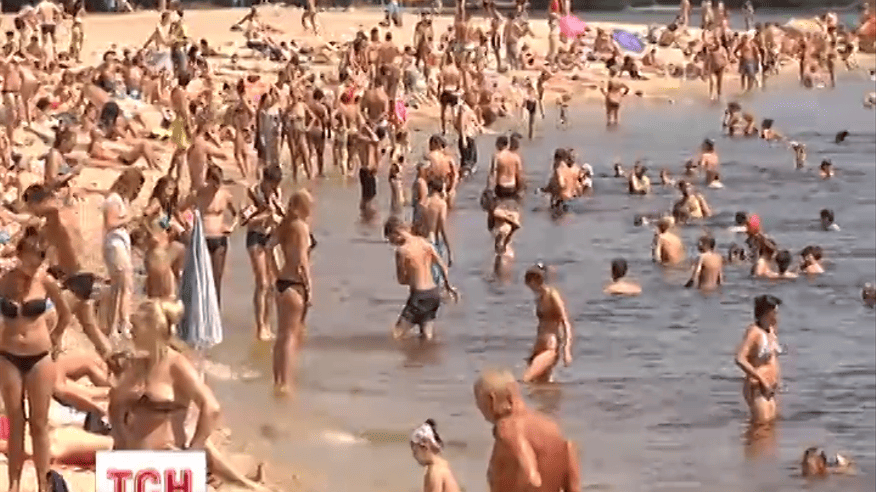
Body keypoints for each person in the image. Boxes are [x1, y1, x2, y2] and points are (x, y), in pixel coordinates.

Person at [108, 300, 266, 490]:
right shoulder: (137, 364)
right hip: (133, 462)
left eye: (136, 326)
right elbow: (115, 404)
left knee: (208, 450)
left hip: (168, 461)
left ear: (152, 328)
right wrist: (121, 436)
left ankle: (246, 480)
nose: (130, 332)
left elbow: (211, 408)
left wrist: (193, 452)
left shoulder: (176, 365)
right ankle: (243, 478)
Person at [0, 227, 71, 492]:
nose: (34, 265)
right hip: (8, 356)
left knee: (39, 424)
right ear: (20, 255)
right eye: (31, 259)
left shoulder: (45, 282)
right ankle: (14, 484)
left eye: (39, 259)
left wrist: (55, 338)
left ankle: (44, 484)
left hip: (39, 357)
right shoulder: (4, 281)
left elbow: (65, 313)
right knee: (16, 421)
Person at [473, 369, 582, 492]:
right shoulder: (553, 427)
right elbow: (573, 487)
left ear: (491, 399)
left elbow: (531, 478)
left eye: (479, 403)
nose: (480, 410)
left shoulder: (508, 428)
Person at [384, 216, 458, 341]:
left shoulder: (402, 251)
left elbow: (401, 280)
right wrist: (448, 286)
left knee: (396, 335)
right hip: (434, 294)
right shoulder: (424, 243)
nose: (392, 243)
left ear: (396, 233)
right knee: (427, 336)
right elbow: (443, 267)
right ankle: (425, 352)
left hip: (419, 296)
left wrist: (411, 278)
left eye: (391, 239)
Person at [270, 190, 314, 395]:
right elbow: (303, 260)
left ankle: (278, 381)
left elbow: (269, 247)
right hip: (296, 283)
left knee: (281, 336)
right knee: (291, 337)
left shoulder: (285, 225)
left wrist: (276, 271)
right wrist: (309, 287)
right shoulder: (301, 227)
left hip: (282, 283)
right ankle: (287, 384)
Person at [179, 164, 238, 304]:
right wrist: (187, 225)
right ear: (208, 180)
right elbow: (181, 209)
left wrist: (231, 226)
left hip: (220, 239)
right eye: (214, 182)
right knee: (201, 278)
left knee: (216, 279)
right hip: (202, 239)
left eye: (219, 182)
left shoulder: (225, 195)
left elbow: (236, 214)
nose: (217, 186)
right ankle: (201, 310)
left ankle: (216, 312)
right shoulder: (199, 194)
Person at [242, 166, 283, 341]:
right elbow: (245, 221)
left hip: (270, 238)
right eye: (271, 185)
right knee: (262, 283)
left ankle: (268, 324)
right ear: (265, 181)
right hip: (255, 237)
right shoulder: (252, 194)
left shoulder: (277, 193)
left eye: (276, 185)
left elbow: (280, 214)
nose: (273, 188)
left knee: (274, 284)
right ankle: (260, 327)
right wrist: (266, 216)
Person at [735, 294, 782, 424]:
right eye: (774, 312)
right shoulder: (754, 332)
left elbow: (772, 359)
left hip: (769, 389)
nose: (777, 316)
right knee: (761, 427)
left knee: (771, 427)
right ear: (766, 312)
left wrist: (776, 381)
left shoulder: (771, 330)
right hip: (758, 387)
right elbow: (740, 359)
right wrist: (762, 380)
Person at [522, 264, 573, 383]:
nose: (530, 284)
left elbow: (565, 322)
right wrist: (533, 350)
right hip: (539, 344)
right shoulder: (539, 298)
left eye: (532, 279)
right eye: (529, 280)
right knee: (540, 384)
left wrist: (566, 350)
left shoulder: (552, 295)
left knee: (526, 379)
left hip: (551, 345)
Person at [410, 420, 461, 492]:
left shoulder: (434, 471)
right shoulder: (443, 464)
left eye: (415, 451)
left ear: (424, 447)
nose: (414, 455)